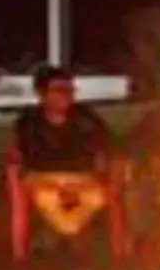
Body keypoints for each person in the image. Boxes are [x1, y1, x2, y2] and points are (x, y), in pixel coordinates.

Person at [12, 66, 113, 244]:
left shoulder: (86, 118)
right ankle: (67, 233)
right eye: (59, 89)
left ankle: (61, 233)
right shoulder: (29, 121)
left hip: (81, 179)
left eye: (70, 89)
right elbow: (27, 157)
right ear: (42, 94)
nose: (67, 95)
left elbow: (106, 145)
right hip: (44, 179)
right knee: (48, 198)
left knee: (97, 197)